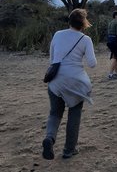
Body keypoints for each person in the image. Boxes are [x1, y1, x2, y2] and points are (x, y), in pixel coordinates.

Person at [42, 8, 97, 160]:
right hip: (76, 81)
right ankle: (69, 150)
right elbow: (92, 64)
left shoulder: (58, 34)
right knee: (74, 111)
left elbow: (52, 59)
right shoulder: (85, 40)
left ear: (69, 21)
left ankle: (49, 138)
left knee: (55, 113)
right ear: (84, 24)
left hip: (56, 80)